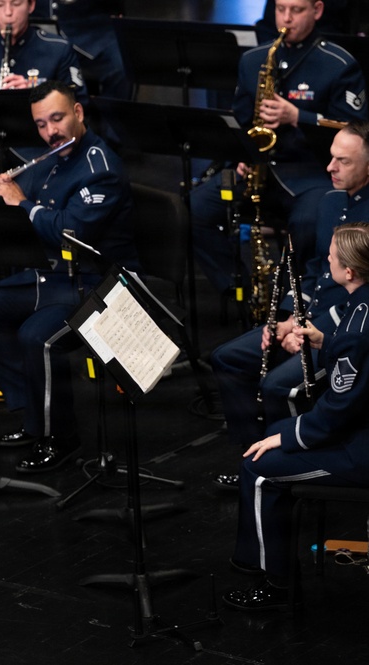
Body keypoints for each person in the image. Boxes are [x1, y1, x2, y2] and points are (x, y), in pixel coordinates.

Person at [0, 80, 138, 472]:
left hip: (99, 284)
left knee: (37, 336)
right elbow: (24, 204)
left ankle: (60, 436)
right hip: (57, 278)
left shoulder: (100, 168)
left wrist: (20, 202)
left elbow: (69, 232)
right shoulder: (52, 159)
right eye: (41, 124)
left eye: (57, 119)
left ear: (78, 112)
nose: (50, 131)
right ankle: (33, 415)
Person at [211, 122, 369, 488]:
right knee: (227, 358)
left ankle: (288, 469)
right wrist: (287, 318)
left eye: (343, 161)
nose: (330, 168)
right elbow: (314, 270)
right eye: (331, 157)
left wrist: (309, 329)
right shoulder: (329, 201)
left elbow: (361, 299)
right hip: (307, 318)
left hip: (345, 330)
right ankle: (251, 455)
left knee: (278, 387)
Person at [224, 221, 369, 611]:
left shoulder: (358, 325)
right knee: (274, 432)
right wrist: (324, 341)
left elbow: (338, 410)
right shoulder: (361, 303)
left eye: (332, 256)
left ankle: (274, 582)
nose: (326, 259)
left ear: (349, 271)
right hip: (358, 429)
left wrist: (288, 438)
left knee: (259, 468)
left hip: (361, 450)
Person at [190, 0, 366, 300]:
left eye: (296, 10)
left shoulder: (338, 64)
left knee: (309, 222)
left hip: (312, 171)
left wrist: (298, 116)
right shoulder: (253, 60)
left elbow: (356, 130)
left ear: (317, 10)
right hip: (259, 166)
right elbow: (241, 121)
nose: (286, 18)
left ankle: (291, 304)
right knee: (196, 208)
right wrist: (242, 154)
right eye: (281, 9)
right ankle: (243, 294)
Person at [0, 0, 87, 184]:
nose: (8, 13)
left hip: (39, 147)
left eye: (16, 4)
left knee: (26, 196)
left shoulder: (58, 49)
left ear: (31, 5)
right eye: (0, 5)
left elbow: (80, 102)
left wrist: (35, 91)